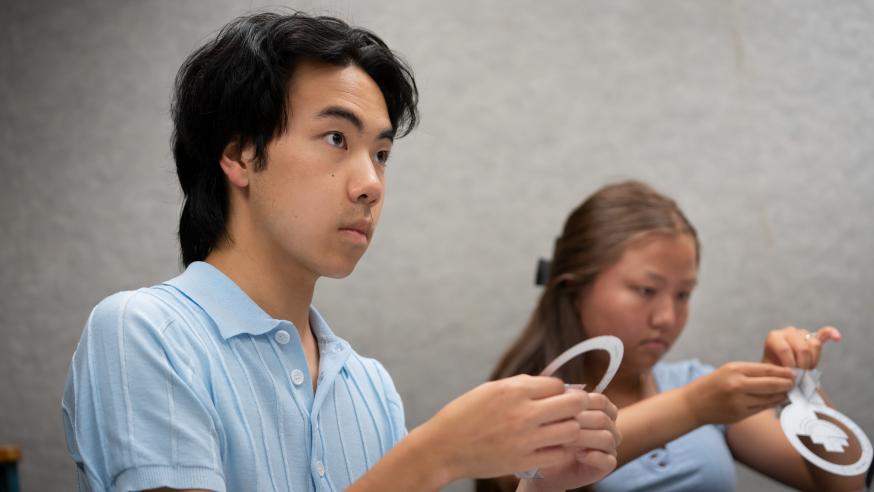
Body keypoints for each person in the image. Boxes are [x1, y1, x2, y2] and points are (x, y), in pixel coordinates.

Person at [61, 11, 621, 492]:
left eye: (381, 153)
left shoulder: (368, 385)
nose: (371, 183)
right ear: (239, 155)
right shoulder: (145, 333)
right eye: (337, 139)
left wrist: (539, 486)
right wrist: (437, 455)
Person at [478, 180, 865, 491]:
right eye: (646, 290)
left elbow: (844, 485)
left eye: (683, 295)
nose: (667, 317)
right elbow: (529, 477)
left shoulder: (695, 384)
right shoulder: (522, 401)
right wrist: (695, 407)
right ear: (575, 289)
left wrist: (801, 387)